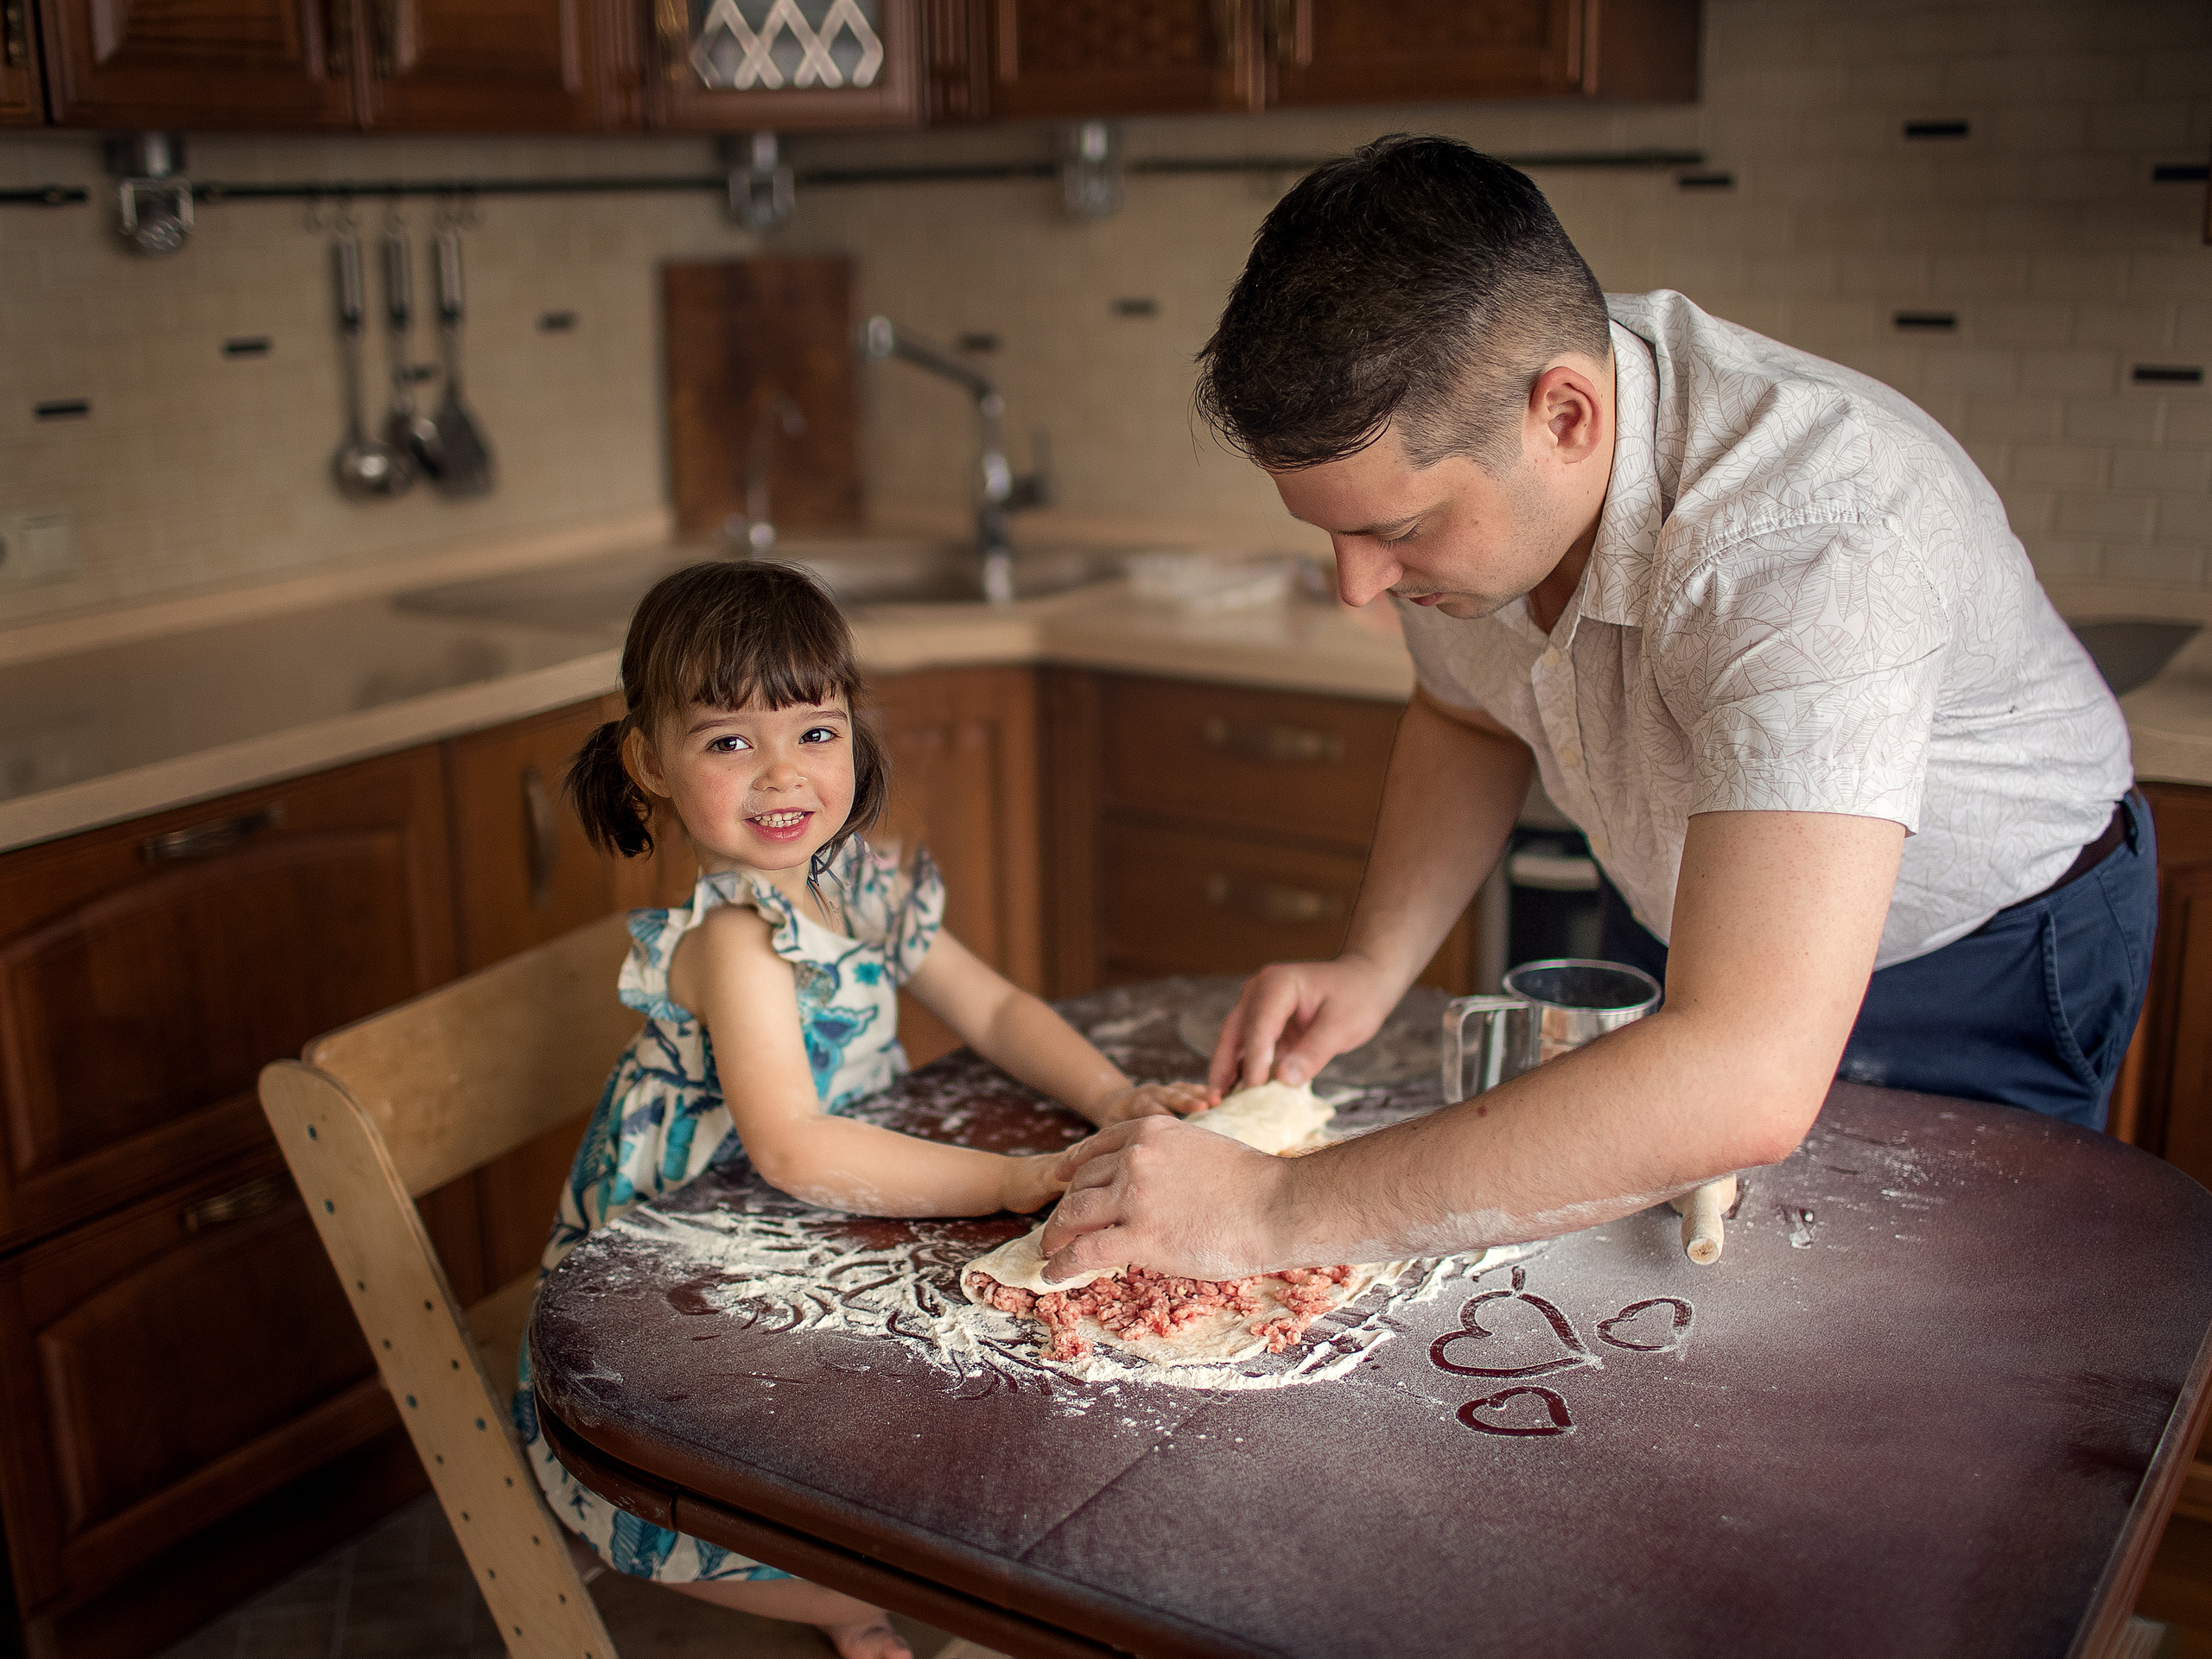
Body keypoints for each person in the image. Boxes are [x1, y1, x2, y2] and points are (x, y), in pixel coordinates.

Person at [1039, 134, 2151, 1289]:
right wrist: (1372, 963)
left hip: (1983, 956)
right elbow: (1467, 712)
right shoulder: (1475, 437)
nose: (1355, 587)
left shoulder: (1812, 541)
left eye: (1394, 530)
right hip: (1692, 923)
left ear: (1564, 418)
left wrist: (1275, 1209)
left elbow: (1745, 1073)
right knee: (1661, 1304)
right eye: (1331, 531)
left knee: (1913, 1341)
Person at [515, 560, 1214, 1659]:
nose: (783, 774)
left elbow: (992, 1005)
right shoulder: (737, 943)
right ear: (648, 761)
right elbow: (793, 1149)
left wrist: (1113, 1094)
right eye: (729, 741)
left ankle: (921, 1561)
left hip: (825, 1217)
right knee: (892, 1518)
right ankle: (857, 1594)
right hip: (694, 1283)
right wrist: (1013, 1178)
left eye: (816, 731)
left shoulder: (862, 887)